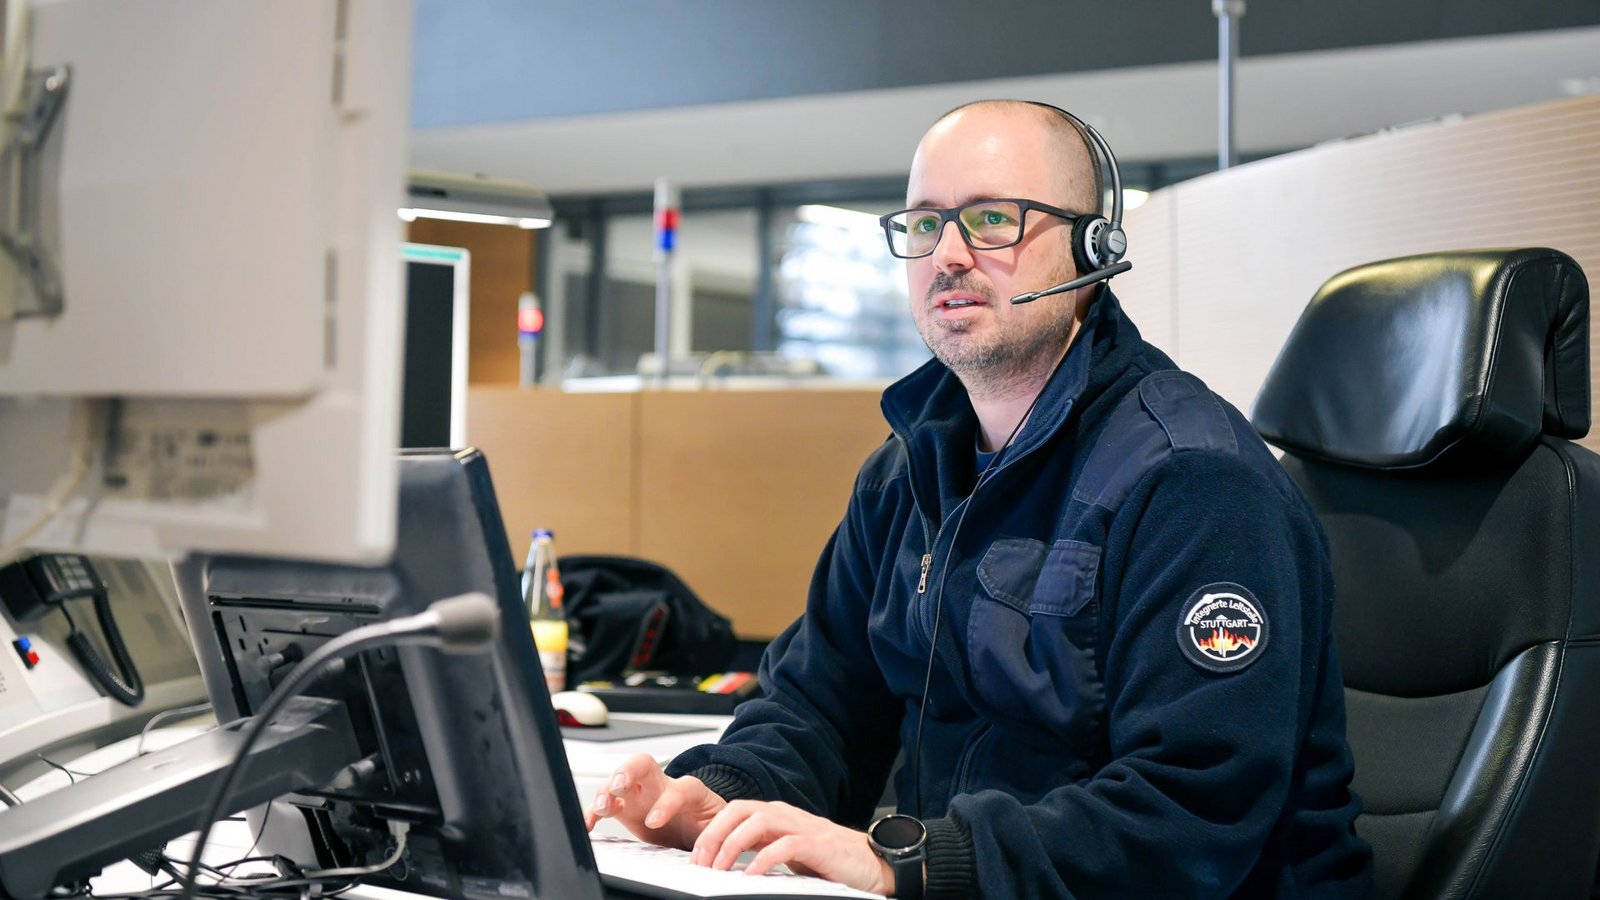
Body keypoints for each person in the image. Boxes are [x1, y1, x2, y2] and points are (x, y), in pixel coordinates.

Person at [585, 99, 1374, 899]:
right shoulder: (906, 470)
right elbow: (822, 703)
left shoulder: (1193, 481)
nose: (948, 254)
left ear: (1092, 248)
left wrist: (912, 861)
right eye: (925, 224)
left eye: (993, 219)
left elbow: (1191, 812)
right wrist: (723, 793)